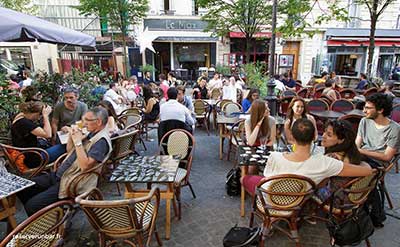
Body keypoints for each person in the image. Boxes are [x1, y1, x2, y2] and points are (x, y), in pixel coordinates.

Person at [18, 107, 112, 216]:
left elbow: (85, 166)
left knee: (32, 205)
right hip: (59, 174)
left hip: (71, 181)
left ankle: (52, 224)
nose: (83, 123)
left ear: (99, 122)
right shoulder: (90, 133)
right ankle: (51, 216)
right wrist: (72, 137)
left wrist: (78, 142)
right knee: (23, 188)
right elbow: (69, 150)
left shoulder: (101, 141)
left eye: (86, 120)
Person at [241, 118, 372, 196]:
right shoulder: (326, 162)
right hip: (298, 202)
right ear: (313, 136)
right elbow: (367, 171)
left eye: (329, 134)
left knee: (245, 178)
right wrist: (363, 162)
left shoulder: (274, 156)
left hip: (271, 203)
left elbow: (267, 178)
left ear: (292, 136)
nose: (325, 136)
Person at [356, 93, 400, 227]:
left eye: (368, 108)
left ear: (380, 110)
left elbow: (387, 157)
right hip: (363, 157)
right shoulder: (364, 121)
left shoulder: (394, 129)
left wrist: (360, 151)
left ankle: (365, 212)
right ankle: (373, 214)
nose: (364, 111)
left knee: (360, 176)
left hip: (379, 163)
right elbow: (357, 143)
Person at [317, 120, 364, 202]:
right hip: (350, 198)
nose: (323, 136)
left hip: (335, 200)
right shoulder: (353, 154)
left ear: (341, 140)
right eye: (324, 132)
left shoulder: (331, 158)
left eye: (329, 135)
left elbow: (320, 183)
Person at [11, 101, 65, 167]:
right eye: (40, 115)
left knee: (54, 140)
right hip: (34, 159)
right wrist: (45, 116)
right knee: (65, 146)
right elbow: (48, 135)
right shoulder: (25, 123)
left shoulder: (20, 116)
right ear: (36, 113)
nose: (39, 118)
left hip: (26, 152)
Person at [245, 100, 276, 174]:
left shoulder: (271, 120)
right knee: (253, 167)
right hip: (252, 148)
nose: (269, 110)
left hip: (266, 147)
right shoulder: (248, 121)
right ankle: (254, 183)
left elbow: (272, 140)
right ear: (259, 111)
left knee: (273, 165)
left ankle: (267, 182)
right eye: (266, 108)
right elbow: (251, 142)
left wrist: (263, 147)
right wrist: (260, 122)